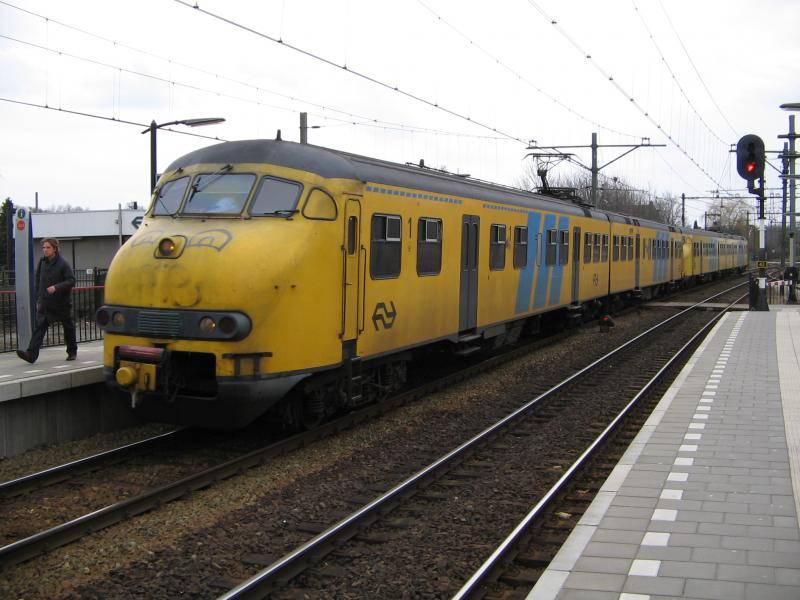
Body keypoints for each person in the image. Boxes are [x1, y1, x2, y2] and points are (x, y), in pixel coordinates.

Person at [16, 238, 78, 363]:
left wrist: (56, 287)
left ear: (54, 249)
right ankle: (31, 355)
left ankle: (72, 352)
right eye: (43, 247)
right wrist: (39, 296)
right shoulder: (42, 262)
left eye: (48, 247)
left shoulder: (63, 263)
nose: (45, 250)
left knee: (68, 327)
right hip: (46, 302)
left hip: (61, 303)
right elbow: (38, 279)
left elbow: (71, 281)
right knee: (40, 328)